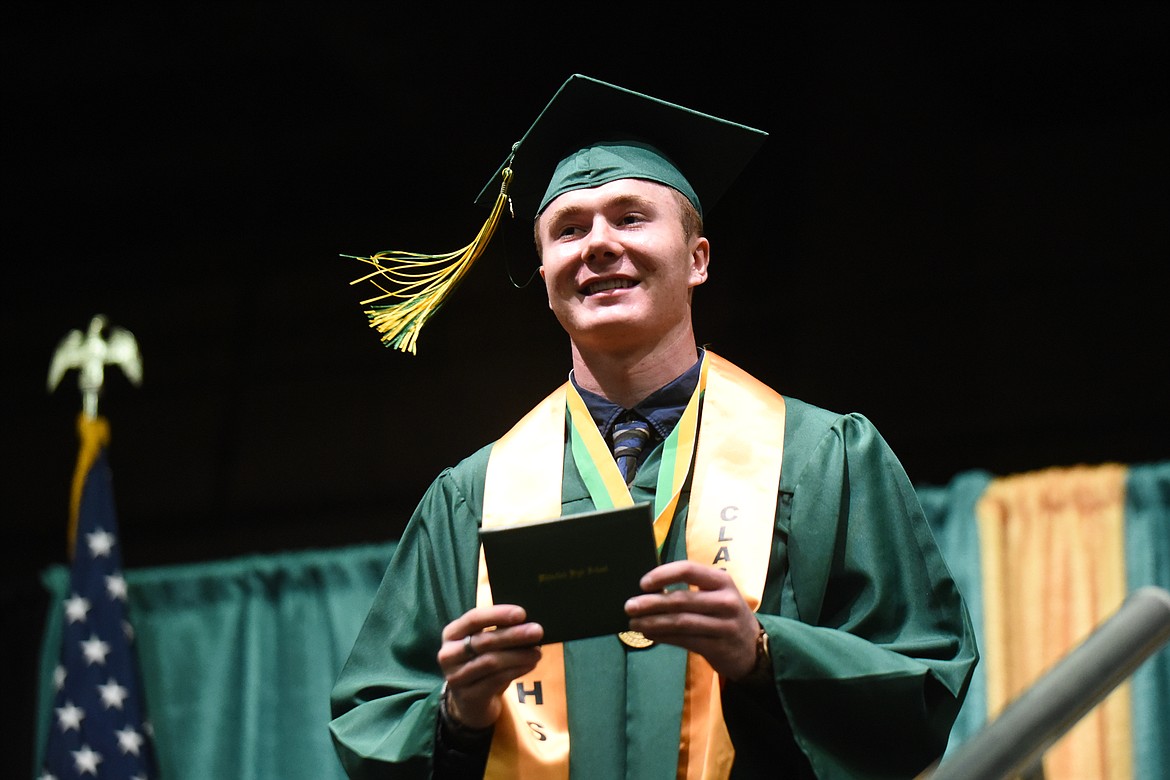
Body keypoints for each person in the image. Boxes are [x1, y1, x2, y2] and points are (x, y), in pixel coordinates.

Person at [329, 74, 978, 779]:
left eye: (630, 217)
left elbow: (922, 684)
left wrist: (762, 655)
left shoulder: (823, 460)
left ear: (697, 259)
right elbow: (375, 723)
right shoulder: (472, 497)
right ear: (545, 272)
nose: (598, 245)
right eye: (569, 229)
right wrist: (460, 713)